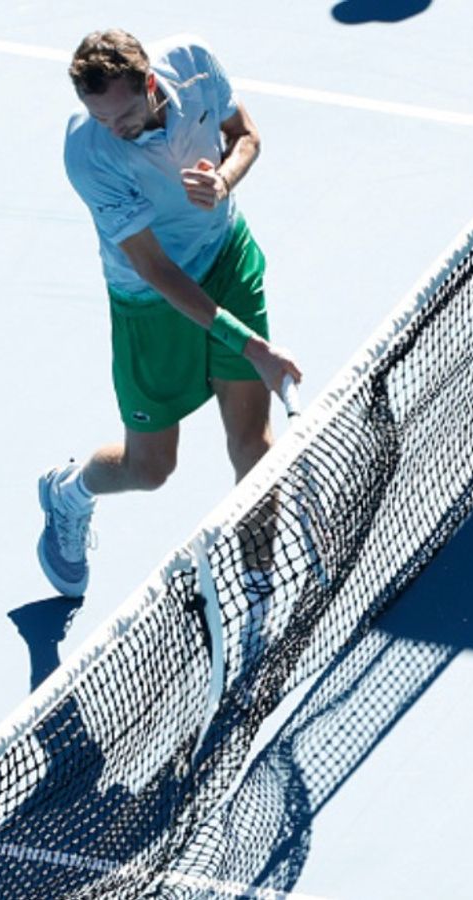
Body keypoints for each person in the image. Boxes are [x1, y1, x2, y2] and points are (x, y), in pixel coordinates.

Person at [38, 30, 301, 598]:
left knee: (253, 442)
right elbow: (158, 270)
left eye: (124, 114)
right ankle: (70, 492)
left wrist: (223, 180)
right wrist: (253, 348)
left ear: (151, 83)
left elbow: (246, 135)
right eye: (100, 117)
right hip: (151, 300)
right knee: (151, 468)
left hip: (226, 257)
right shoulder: (89, 153)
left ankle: (259, 591)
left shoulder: (195, 61)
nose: (115, 128)